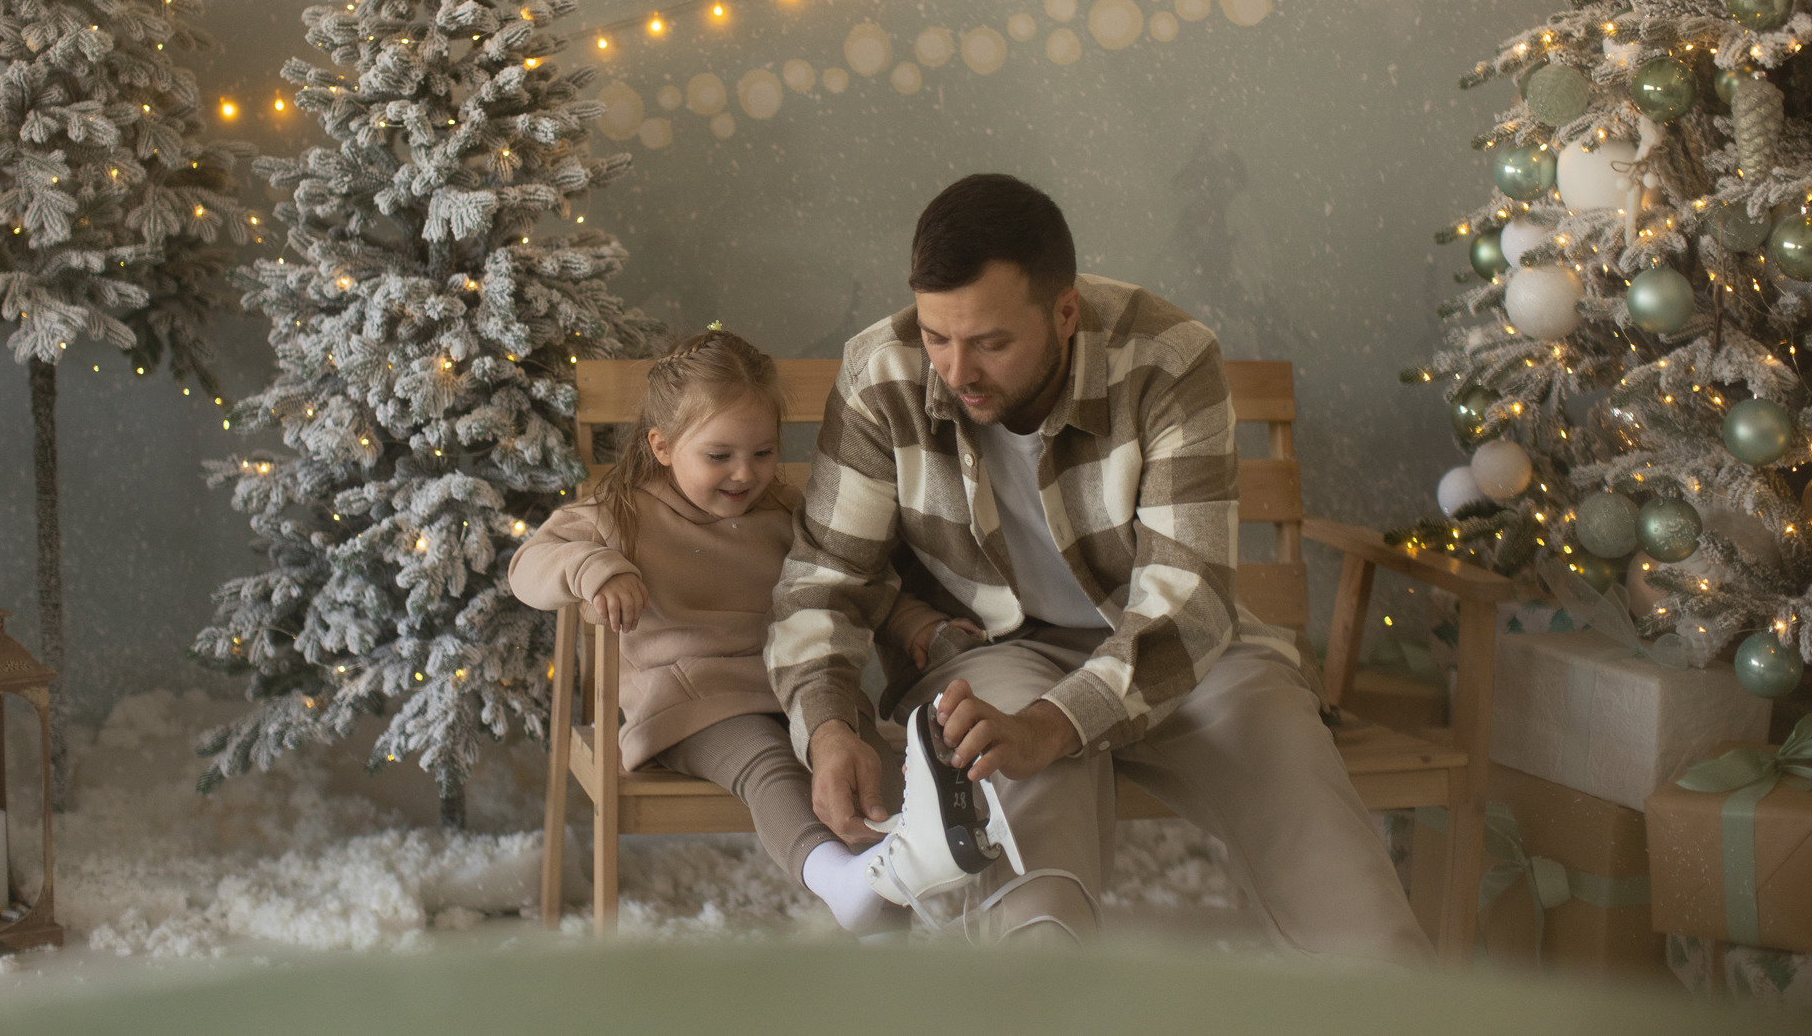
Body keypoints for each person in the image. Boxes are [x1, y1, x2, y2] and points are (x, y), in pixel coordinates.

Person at [765, 174, 1433, 960]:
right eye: (938, 337)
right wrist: (830, 726)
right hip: (988, 653)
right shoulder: (883, 373)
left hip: (1179, 649)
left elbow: (1187, 604)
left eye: (990, 341)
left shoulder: (1167, 360)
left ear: (1065, 311)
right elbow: (824, 579)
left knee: (1306, 805)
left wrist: (1054, 723)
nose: (957, 369)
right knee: (1028, 856)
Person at [509, 328, 981, 934]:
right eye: (719, 455)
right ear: (661, 445)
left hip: (798, 689)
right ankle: (834, 876)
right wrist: (594, 568)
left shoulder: (787, 518)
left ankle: (882, 901)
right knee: (766, 762)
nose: (744, 473)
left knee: (863, 755)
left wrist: (914, 622)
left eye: (762, 453)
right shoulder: (620, 515)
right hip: (692, 702)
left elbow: (854, 586)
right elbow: (527, 567)